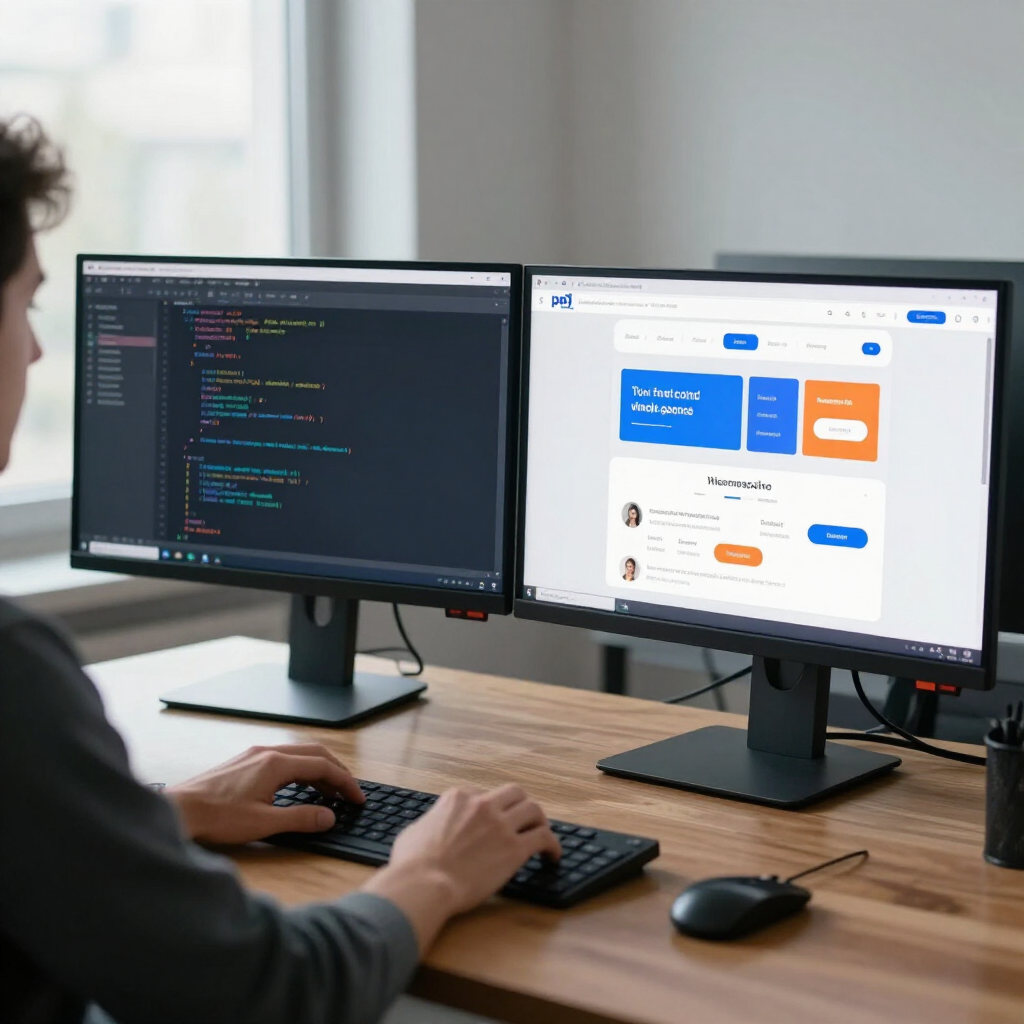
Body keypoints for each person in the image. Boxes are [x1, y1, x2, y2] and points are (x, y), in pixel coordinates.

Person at [0, 117, 560, 1024]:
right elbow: (270, 995)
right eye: (24, 305)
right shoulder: (10, 675)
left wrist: (160, 814)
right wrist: (432, 872)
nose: (33, 351)